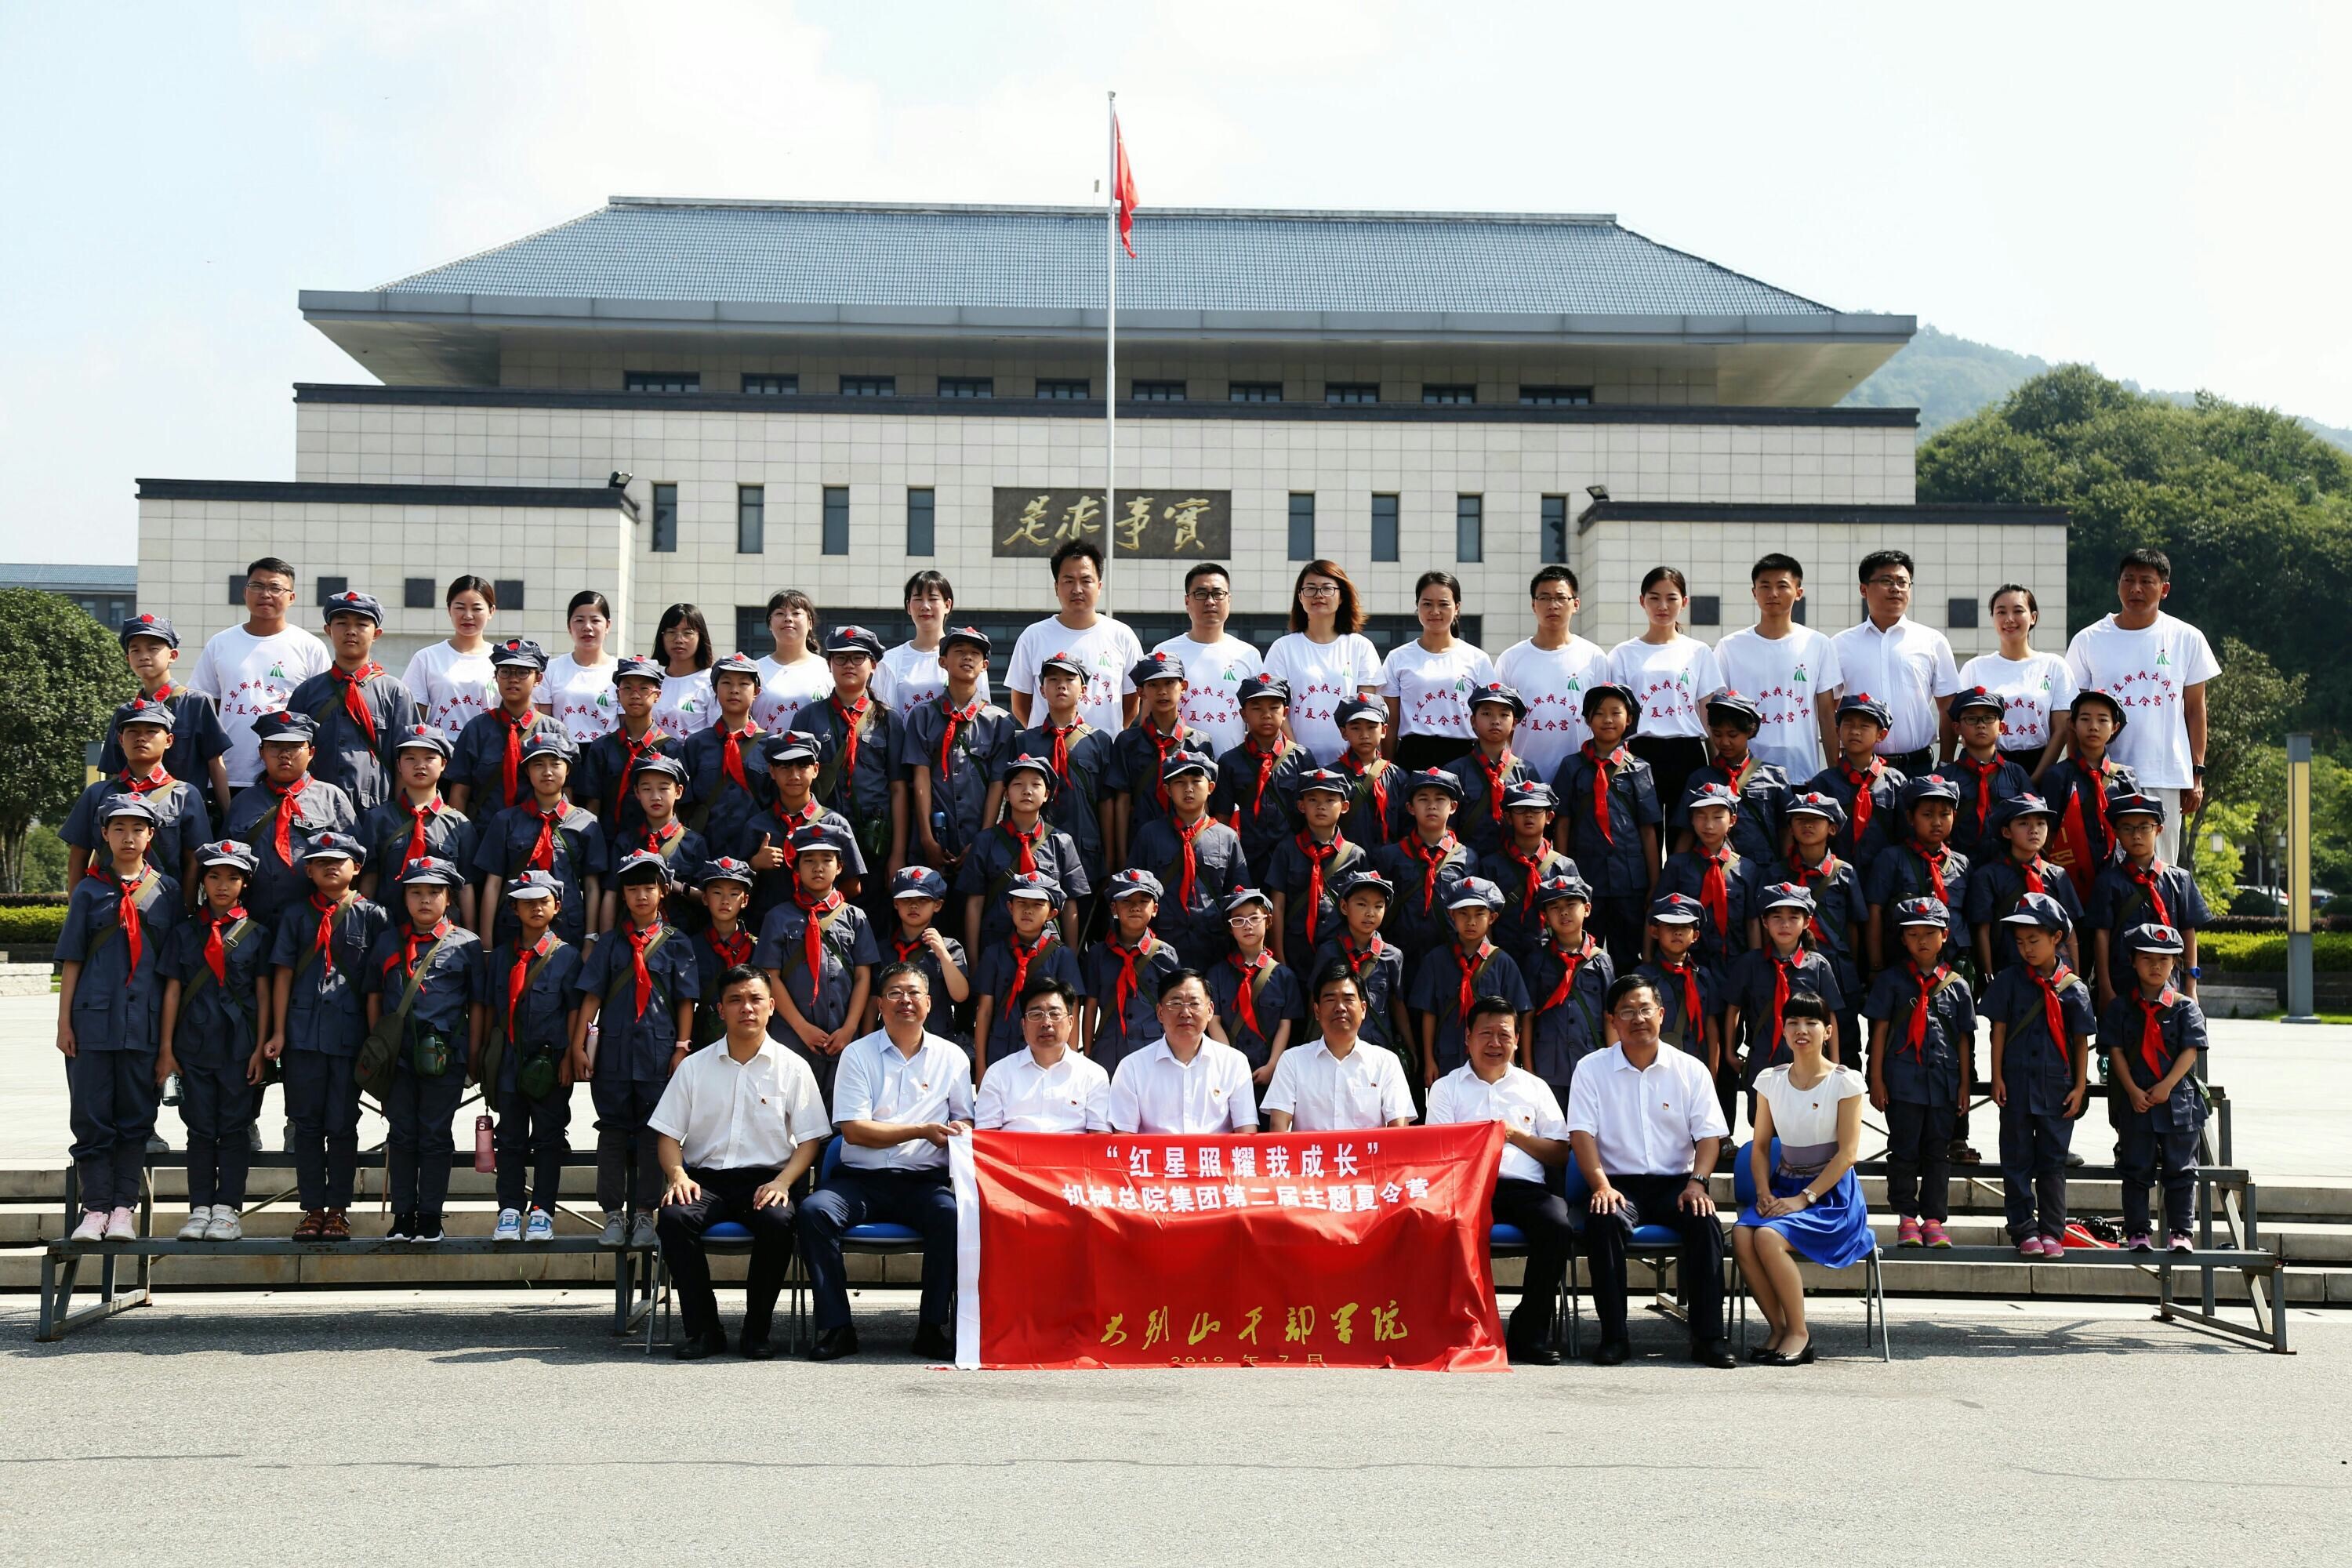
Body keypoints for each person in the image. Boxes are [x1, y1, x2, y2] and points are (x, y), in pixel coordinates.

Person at [652, 964, 832, 1360]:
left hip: (768, 1179)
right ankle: (704, 1330)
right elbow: (667, 1134)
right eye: (735, 1000)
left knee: (778, 1221)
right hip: (705, 1179)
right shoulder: (695, 1067)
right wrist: (677, 1174)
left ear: (772, 1006)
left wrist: (784, 1183)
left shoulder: (793, 1066)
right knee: (674, 1218)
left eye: (755, 999)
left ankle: (756, 1331)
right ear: (720, 1010)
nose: (746, 1008)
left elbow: (809, 1140)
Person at [800, 962, 974, 1362]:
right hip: (859, 1180)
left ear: (929, 1003)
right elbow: (854, 1130)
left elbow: (964, 1119)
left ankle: (931, 1328)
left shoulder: (952, 1057)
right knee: (814, 1211)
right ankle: (838, 1328)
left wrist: (958, 1129)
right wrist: (920, 1131)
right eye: (895, 993)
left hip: (922, 1182)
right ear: (879, 1004)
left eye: (913, 993)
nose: (904, 1001)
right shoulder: (858, 1054)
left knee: (950, 1215)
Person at [1566, 972, 1734, 1367]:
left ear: (1661, 1014)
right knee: (1603, 1220)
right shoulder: (1591, 1069)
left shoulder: (1690, 1069)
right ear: (1612, 1020)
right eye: (1627, 1012)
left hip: (1678, 1184)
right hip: (1617, 1184)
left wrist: (1699, 1183)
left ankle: (1709, 1338)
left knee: (1705, 1221)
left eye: (1645, 1009)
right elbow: (1581, 1135)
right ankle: (1614, 1337)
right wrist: (1601, 1185)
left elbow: (1709, 1136)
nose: (1637, 1019)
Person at [55, 795, 183, 1244]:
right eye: (118, 829)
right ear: (104, 835)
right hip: (91, 1023)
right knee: (91, 1118)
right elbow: (72, 959)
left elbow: (173, 974)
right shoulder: (88, 891)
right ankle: (95, 1209)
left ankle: (124, 1209)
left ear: (151, 836)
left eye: (137, 829)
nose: (128, 838)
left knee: (136, 1119)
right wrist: (63, 1023)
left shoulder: (168, 892)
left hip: (144, 1025)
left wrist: (167, 1045)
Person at [1425, 997, 1575, 1363]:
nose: (1495, 1043)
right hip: (1467, 1188)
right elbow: (1438, 1153)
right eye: (1486, 1034)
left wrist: (1514, 1135)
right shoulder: (1447, 1088)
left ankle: (1528, 1334)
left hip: (1525, 1189)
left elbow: (1560, 1152)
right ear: (1468, 1038)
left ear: (1518, 1040)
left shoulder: (1534, 1087)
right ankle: (1464, 1330)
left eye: (1504, 1035)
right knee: (1445, 1224)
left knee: (1557, 1226)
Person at [260, 831, 389, 1241]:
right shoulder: (295, 916)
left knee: (343, 1123)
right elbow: (282, 974)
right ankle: (312, 1209)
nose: (330, 867)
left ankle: (338, 1210)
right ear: (309, 872)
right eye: (320, 862)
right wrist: (279, 1031)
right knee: (307, 1124)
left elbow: (379, 984)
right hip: (302, 1036)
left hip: (351, 1037)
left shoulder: (373, 915)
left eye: (339, 861)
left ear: (357, 868)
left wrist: (377, 1039)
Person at [571, 849, 700, 1248]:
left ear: (663, 892)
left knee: (653, 1133)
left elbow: (685, 1000)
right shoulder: (611, 944)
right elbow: (592, 996)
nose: (641, 896)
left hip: (658, 1056)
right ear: (623, 896)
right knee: (611, 1133)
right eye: (632, 890)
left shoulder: (677, 943)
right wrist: (578, 1044)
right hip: (612, 1055)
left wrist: (682, 1048)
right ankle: (612, 1214)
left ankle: (645, 1213)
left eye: (648, 888)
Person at [1733, 990, 1869, 1366]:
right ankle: (1777, 1328)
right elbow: (1761, 1146)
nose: (1801, 1030)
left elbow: (1848, 1154)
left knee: (1768, 1236)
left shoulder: (1845, 1082)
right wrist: (1763, 1191)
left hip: (1832, 1196)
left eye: (1811, 1023)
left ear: (1828, 1031)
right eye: (1793, 1022)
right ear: (1783, 1029)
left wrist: (1803, 1198)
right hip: (1784, 1185)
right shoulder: (1770, 1080)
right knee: (1743, 1234)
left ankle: (1799, 1332)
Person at [2063, 548, 2217, 862]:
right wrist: (2076, 769)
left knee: (2159, 867)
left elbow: (2195, 710)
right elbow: (2073, 713)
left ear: (2164, 589)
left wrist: (2196, 774)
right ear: (2118, 584)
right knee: (2102, 863)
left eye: (2146, 581)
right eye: (2128, 580)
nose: (2135, 589)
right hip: (2103, 774)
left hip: (2165, 774)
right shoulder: (2089, 640)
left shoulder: (2186, 638)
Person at [362, 856, 483, 1244]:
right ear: (405, 898)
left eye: (434, 892)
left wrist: (473, 1055)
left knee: (435, 1134)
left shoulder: (466, 944)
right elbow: (374, 996)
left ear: (449, 898)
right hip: (397, 1058)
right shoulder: (388, 941)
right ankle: (402, 1216)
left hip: (445, 1057)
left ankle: (430, 1216)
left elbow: (478, 1005)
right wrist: (378, 1048)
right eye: (416, 892)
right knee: (401, 1134)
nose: (425, 900)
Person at [156, 840, 269, 1240]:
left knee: (236, 1128)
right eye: (215, 876)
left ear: (244, 884)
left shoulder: (257, 934)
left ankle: (227, 1211)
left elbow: (263, 995)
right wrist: (166, 1049)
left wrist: (261, 1048)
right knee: (199, 1129)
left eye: (232, 878)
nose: (223, 885)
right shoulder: (184, 932)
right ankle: (200, 1209)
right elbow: (172, 992)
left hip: (240, 1047)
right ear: (202, 881)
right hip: (192, 1046)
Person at [1984, 892, 2095, 1256]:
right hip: (2016, 1085)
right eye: (2020, 942)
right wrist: (1996, 1077)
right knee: (2016, 1160)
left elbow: (2081, 1042)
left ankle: (2052, 1231)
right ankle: (2023, 1229)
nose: (2026, 949)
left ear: (2056, 938)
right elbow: (1998, 1031)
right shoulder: (2008, 980)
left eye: (2034, 940)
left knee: (2052, 1163)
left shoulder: (2074, 988)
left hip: (2057, 1089)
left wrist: (2080, 1087)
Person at [474, 870, 583, 1244]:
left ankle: (542, 1210)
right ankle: (509, 1207)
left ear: (557, 906)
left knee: (549, 1138)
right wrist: (483, 1056)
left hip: (550, 1063)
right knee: (510, 1137)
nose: (536, 908)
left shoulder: (567, 956)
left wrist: (569, 1057)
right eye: (527, 902)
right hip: (507, 1060)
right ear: (514, 909)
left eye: (543, 901)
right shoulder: (501, 957)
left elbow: (574, 1011)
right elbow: (490, 1009)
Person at [1865, 896, 1976, 1249]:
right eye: (1913, 935)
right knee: (1903, 1149)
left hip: (1943, 1084)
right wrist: (1876, 1079)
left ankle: (1933, 1220)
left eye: (1929, 933)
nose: (1922, 941)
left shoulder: (1958, 985)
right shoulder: (1891, 981)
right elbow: (1879, 1031)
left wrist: (1965, 1085)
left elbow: (1964, 1040)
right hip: (1902, 1083)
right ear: (1902, 939)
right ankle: (1906, 1218)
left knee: (1937, 1152)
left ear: (1945, 936)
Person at [2098, 923, 2209, 1253]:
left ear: (2175, 963)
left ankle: (2181, 1233)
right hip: (2137, 1104)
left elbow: (2191, 1050)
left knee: (2181, 1171)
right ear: (2133, 961)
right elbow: (2115, 1051)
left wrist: (2167, 1086)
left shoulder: (2185, 1007)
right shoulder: (2121, 1008)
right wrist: (2132, 1090)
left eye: (2164, 959)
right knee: (2135, 1169)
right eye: (2147, 958)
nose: (2156, 966)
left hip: (2177, 1103)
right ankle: (2137, 1232)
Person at [753, 822, 880, 1102]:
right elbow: (769, 977)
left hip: (842, 1038)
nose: (818, 868)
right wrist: (802, 1027)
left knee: (841, 1111)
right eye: (809, 860)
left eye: (827, 860)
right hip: (791, 1037)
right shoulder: (777, 917)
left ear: (840, 867)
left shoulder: (856, 918)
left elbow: (864, 977)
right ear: (796, 869)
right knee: (790, 1108)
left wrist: (850, 1029)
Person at [187, 555, 332, 793]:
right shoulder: (220, 643)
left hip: (290, 775)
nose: (265, 594)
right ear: (245, 593)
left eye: (275, 588)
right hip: (229, 773)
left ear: (291, 598)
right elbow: (203, 707)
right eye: (257, 586)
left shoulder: (310, 647)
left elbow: (321, 714)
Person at [793, 623, 909, 917]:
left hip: (874, 841)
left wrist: (897, 854)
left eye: (858, 658)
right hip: (821, 840)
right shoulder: (808, 717)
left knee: (874, 921)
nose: (849, 665)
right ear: (829, 664)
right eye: (840, 658)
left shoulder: (889, 721)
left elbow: (898, 788)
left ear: (873, 665)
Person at [1549, 682, 1660, 970]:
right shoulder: (1571, 767)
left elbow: (1648, 829)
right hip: (1586, 878)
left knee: (1627, 955)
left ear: (1629, 718)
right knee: (1583, 953)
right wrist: (1566, 875)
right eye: (1599, 713)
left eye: (1616, 713)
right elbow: (1562, 823)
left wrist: (1654, 883)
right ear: (1588, 720)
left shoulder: (1640, 768)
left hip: (1629, 880)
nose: (1608, 720)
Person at [1711, 554, 1842, 781]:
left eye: (1782, 586)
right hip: (1745, 774)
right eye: (1765, 586)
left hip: (1801, 771)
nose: (1773, 593)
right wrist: (1719, 774)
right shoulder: (1730, 646)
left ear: (1798, 592)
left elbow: (1827, 715)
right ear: (1754, 592)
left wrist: (1834, 776)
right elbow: (1715, 713)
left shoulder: (1818, 644)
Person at [287, 589, 419, 815]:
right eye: (341, 623)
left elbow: (408, 760)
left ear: (376, 634)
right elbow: (291, 753)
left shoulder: (395, 693)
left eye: (361, 624)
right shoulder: (307, 692)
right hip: (316, 810)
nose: (351, 631)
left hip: (376, 812)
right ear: (328, 630)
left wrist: (397, 817)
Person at [223, 710, 359, 928]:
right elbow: (225, 862)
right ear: (261, 752)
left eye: (295, 747)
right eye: (275, 747)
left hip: (315, 923)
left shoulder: (332, 798)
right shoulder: (243, 802)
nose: (284, 755)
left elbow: (356, 863)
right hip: (252, 923)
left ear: (311, 752)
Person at [62, 697, 211, 896]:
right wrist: (77, 908)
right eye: (132, 731)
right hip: (103, 904)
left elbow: (194, 861)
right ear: (121, 740)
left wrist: (186, 909)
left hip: (163, 904)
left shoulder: (185, 795)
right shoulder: (97, 794)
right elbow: (77, 858)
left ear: (168, 741)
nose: (141, 738)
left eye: (151, 731)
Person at [1829, 549, 1959, 775]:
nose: (1896, 588)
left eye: (1902, 582)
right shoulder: (1839, 645)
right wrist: (1834, 767)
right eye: (1886, 581)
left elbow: (1949, 707)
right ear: (1863, 589)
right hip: (1859, 769)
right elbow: (1829, 710)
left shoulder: (1932, 641)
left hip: (1917, 767)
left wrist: (1946, 764)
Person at [1607, 566, 1723, 815]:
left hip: (1688, 753)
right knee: (1641, 830)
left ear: (1684, 602)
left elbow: (1709, 716)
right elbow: (1616, 714)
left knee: (1686, 829)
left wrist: (1717, 766)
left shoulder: (1699, 651)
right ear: (1642, 601)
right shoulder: (1623, 653)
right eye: (1654, 598)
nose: (1663, 606)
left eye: (1671, 598)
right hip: (1638, 753)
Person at [474, 731, 605, 949]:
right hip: (514, 929)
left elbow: (591, 886)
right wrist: (486, 943)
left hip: (569, 929)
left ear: (568, 769)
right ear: (527, 771)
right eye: (538, 765)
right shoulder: (506, 820)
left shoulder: (586, 823)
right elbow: (493, 883)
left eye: (555, 764)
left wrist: (590, 938)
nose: (547, 772)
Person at [903, 626, 1014, 874]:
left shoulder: (999, 722)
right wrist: (926, 838)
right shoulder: (922, 716)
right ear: (943, 661)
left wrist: (983, 839)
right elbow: (920, 777)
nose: (967, 657)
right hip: (931, 839)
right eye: (959, 651)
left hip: (978, 839)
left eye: (975, 653)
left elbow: (998, 784)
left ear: (985, 665)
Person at [100, 613, 232, 821]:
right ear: (128, 659)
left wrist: (228, 818)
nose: (144, 656)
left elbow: (215, 763)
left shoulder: (196, 703)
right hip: (136, 821)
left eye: (153, 649)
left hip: (185, 818)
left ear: (173, 655)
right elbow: (116, 772)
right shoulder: (124, 713)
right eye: (135, 650)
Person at [2085, 793, 2209, 1011]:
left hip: (2170, 987)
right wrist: (2105, 987)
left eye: (2144, 827)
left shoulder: (2180, 880)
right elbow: (2101, 935)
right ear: (2116, 832)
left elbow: (2189, 934)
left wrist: (2191, 986)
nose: (2136, 835)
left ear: (2159, 830)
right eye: (2127, 828)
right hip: (2122, 985)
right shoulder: (2108, 882)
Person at [1005, 539, 1142, 732]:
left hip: (1106, 750)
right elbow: (1020, 706)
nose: (1077, 589)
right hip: (1048, 750)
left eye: (1086, 581)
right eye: (1069, 581)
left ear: (1099, 586)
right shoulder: (1033, 636)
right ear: (1056, 587)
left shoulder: (1122, 636)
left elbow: (1131, 706)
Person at [959, 752, 1088, 954]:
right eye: (1018, 784)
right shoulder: (985, 841)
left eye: (1036, 784)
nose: (1027, 791)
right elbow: (975, 902)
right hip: (995, 946)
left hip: (1047, 950)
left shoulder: (1062, 842)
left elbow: (1070, 904)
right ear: (1006, 794)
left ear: (1047, 795)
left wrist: (1070, 957)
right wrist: (974, 961)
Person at [1261, 965, 1416, 1132]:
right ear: (1317, 1011)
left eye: (1348, 999)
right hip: (1313, 1150)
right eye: (1330, 1000)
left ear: (1363, 1009)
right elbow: (1278, 1127)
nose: (1340, 1007)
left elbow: (1399, 1129)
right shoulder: (1292, 1061)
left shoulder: (1386, 1062)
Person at [1127, 754, 1247, 969]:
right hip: (1162, 944)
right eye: (1180, 782)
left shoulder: (1227, 837)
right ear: (1167, 790)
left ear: (1211, 787)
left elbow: (1240, 896)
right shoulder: (1150, 835)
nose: (1188, 789)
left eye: (1196, 781)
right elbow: (1131, 891)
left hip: (1213, 944)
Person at [735, 730, 866, 927]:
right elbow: (736, 889)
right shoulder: (757, 826)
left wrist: (819, 910)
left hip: (821, 929)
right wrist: (754, 864)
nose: (794, 775)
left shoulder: (835, 824)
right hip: (768, 930)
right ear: (772, 771)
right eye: (785, 767)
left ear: (816, 769)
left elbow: (853, 886)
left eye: (803, 766)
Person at [1408, 877, 1530, 1087]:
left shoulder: (1503, 962)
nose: (1471, 922)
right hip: (1447, 1057)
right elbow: (1429, 1013)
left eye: (1479, 914)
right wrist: (1429, 1060)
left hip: (1492, 1057)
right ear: (1451, 915)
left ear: (1492, 917)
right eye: (1463, 914)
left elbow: (1517, 1014)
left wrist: (1512, 1060)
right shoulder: (1436, 960)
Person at [1495, 565, 1611, 786]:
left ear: (1575, 604)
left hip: (1581, 777)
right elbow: (1501, 720)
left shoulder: (1594, 657)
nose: (1553, 605)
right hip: (1523, 779)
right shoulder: (1511, 659)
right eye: (1545, 598)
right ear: (1533, 604)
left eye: (1561, 598)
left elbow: (1604, 717)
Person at [1108, 967, 1260, 1134]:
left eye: (1194, 1004)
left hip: (1213, 1152)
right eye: (1176, 1004)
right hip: (1157, 1152)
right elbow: (1124, 1138)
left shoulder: (1234, 1063)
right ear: (1160, 1013)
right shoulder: (1132, 1067)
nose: (1185, 1013)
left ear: (1210, 1011)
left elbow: (1246, 1132)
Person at [1261, 559, 1384, 764]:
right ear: (1300, 597)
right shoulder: (1283, 648)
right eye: (1310, 588)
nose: (1318, 595)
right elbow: (1274, 708)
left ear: (1341, 596)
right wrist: (1297, 755)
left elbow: (1368, 712)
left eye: (1327, 588)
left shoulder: (1360, 646)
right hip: (1294, 763)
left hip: (1350, 765)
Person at [358, 724, 477, 929]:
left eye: (429, 758)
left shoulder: (459, 824)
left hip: (445, 935)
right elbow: (370, 878)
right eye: (410, 758)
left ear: (444, 764)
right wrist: (365, 928)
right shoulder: (378, 819)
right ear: (399, 765)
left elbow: (466, 886)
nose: (419, 765)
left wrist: (470, 934)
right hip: (389, 929)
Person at [1018, 650, 1115, 901]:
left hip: (1087, 851)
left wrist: (1110, 856)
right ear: (1042, 690)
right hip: (1036, 851)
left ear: (1083, 690)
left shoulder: (1099, 741)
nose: (1061, 685)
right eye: (1053, 680)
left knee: (1084, 918)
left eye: (1070, 680)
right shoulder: (1025, 741)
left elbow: (1106, 802)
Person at [968, 871, 1086, 1077]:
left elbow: (1071, 1012)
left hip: (1047, 1054)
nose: (1028, 911)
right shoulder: (994, 953)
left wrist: (1072, 1062)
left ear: (1052, 913)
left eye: (1037, 905)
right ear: (1010, 907)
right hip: (1001, 1051)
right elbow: (984, 1011)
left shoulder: (1062, 955)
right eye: (1021, 903)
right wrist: (980, 1068)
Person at [1309, 870, 1415, 1091]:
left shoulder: (1392, 956)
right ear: (1344, 907)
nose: (1370, 913)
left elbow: (1397, 1004)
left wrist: (1411, 1048)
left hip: (1377, 1048)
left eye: (1378, 906)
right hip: (1335, 1048)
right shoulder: (1329, 952)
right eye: (1362, 904)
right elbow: (1315, 1000)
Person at [1107, 651, 1215, 866]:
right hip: (1140, 843)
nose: (1162, 691)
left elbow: (1206, 801)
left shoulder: (1200, 742)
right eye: (1153, 685)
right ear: (1141, 692)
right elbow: (1122, 801)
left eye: (1169, 683)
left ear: (1183, 686)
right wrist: (1121, 856)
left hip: (1186, 845)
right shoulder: (1127, 742)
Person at [1381, 571, 1497, 771]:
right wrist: (1387, 770)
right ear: (1417, 606)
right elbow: (1391, 724)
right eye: (1427, 604)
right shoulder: (1397, 658)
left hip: (1464, 758)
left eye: (1443, 604)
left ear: (1457, 608)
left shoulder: (1477, 659)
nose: (1435, 611)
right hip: (1412, 757)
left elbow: (1488, 717)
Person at [1959, 584, 2075, 776]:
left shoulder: (2054, 666)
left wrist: (2036, 780)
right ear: (1993, 618)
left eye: (2018, 611)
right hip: (1986, 770)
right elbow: (1964, 726)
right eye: (2001, 612)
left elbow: (2062, 730)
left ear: (2033, 617)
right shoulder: (1974, 668)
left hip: (2040, 766)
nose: (2009, 619)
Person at [1519, 873, 1614, 1108]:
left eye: (1571, 905)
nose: (1563, 913)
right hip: (1548, 1066)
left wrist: (1614, 1063)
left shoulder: (1600, 961)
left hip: (1592, 1062)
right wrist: (1529, 1070)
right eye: (1555, 907)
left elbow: (1610, 1016)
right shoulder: (1537, 960)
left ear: (1587, 909)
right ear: (1545, 916)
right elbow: (1527, 1016)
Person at [1966, 795, 2085, 979]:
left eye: (2041, 823)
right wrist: (1988, 976)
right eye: (2024, 823)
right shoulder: (1988, 876)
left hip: (2055, 973)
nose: (2034, 830)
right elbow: (1983, 930)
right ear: (2006, 832)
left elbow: (2069, 929)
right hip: (2009, 970)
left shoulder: (2057, 874)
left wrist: (2075, 977)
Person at [973, 975, 1112, 1131]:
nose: (1046, 1023)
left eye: (1054, 1014)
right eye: (1036, 1015)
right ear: (1023, 1025)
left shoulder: (1093, 1076)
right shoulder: (998, 1074)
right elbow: (986, 1137)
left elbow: (1100, 1138)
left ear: (1071, 1023)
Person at [1152, 561, 1264, 752]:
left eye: (1218, 594)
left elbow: (1258, 718)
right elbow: (1150, 714)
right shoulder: (1165, 653)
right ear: (1187, 601)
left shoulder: (1248, 654)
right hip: (1178, 766)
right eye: (1201, 594)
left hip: (1232, 766)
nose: (1210, 601)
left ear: (1229, 599)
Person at [1370, 768, 1475, 971]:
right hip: (1399, 956)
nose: (1432, 806)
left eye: (1440, 799)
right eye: (1423, 799)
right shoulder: (1389, 856)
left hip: (1449, 957)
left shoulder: (1467, 858)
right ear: (1410, 807)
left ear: (1453, 807)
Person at [2039, 689, 2140, 903]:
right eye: (2085, 719)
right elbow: (2048, 833)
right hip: (2070, 879)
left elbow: (2137, 827)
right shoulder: (2057, 776)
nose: (2093, 726)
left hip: (2118, 875)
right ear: (2072, 725)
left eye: (2103, 720)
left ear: (2115, 727)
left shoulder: (2125, 778)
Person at [1265, 768, 1369, 973]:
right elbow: (1278, 905)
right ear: (1301, 806)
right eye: (1313, 800)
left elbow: (1363, 906)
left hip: (1340, 952)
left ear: (1345, 806)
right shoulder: (1287, 849)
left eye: (1330, 800)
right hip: (1294, 951)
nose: (1321, 806)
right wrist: (1279, 957)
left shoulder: (1355, 855)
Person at [1672, 689, 1788, 868]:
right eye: (1717, 734)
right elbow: (1686, 833)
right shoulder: (1699, 779)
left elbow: (1786, 831)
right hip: (1714, 872)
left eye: (1733, 735)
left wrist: (1786, 872)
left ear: (1751, 731)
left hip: (1763, 872)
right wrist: (1674, 872)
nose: (1724, 742)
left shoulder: (1774, 776)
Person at [447, 638, 561, 818]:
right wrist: (459, 833)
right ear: (496, 676)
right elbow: (460, 792)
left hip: (536, 831)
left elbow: (565, 792)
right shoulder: (477, 729)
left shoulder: (553, 730)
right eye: (505, 672)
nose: (513, 679)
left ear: (538, 679)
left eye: (523, 672)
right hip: (484, 830)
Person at [574, 655, 684, 841]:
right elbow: (593, 803)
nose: (635, 695)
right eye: (628, 688)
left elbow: (679, 807)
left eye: (644, 688)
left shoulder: (670, 748)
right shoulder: (602, 747)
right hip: (609, 842)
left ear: (657, 695)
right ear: (618, 694)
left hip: (655, 844)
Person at [1083, 869, 1183, 1072]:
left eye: (1143, 902)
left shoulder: (1165, 954)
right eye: (1126, 901)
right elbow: (1091, 1007)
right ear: (1114, 908)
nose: (1135, 908)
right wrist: (1087, 1055)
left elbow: (1175, 1005)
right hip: (1109, 1051)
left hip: (1153, 1049)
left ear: (1155, 909)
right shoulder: (1097, 954)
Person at [1207, 888, 1304, 1087]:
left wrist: (1273, 1065)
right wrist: (1230, 1063)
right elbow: (1213, 1022)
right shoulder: (1216, 974)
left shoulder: (1284, 976)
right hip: (1227, 1073)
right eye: (1238, 920)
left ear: (1268, 921)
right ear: (1230, 928)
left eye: (1254, 918)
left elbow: (1285, 1025)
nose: (1247, 926)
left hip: (1271, 1073)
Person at [1806, 691, 1907, 877]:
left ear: (1881, 734)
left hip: (1885, 875)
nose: (1855, 731)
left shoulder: (1895, 782)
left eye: (1864, 726)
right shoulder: (1824, 782)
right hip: (1835, 875)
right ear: (1838, 731)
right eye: (1849, 724)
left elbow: (1905, 835)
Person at [1220, 674, 1311, 882]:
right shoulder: (1230, 761)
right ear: (1243, 714)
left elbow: (1311, 813)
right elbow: (1222, 817)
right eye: (1257, 708)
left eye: (1274, 708)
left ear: (1285, 712)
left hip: (1292, 859)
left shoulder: (1302, 758)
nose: (1266, 715)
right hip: (1246, 859)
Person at [683, 652, 774, 852]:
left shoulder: (771, 746)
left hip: (756, 852)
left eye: (744, 684)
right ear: (715, 689)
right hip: (705, 851)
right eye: (726, 683)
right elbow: (684, 804)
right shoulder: (696, 744)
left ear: (756, 691)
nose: (734, 690)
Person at [875, 570, 993, 717]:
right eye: (918, 599)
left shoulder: (968, 658)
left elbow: (983, 712)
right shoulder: (890, 661)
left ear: (947, 605)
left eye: (932, 599)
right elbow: (878, 718)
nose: (925, 606)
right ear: (908, 606)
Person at [1933, 687, 2031, 863]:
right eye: (1971, 719)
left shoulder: (2016, 774)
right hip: (1958, 867)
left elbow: (2031, 820)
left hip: (2007, 867)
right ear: (1957, 727)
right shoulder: (1944, 778)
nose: (1981, 724)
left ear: (2002, 727)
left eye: (1989, 718)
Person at [1480, 781, 1572, 964]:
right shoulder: (1491, 865)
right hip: (1504, 954)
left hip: (1550, 959)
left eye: (1536, 809)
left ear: (1549, 817)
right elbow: (1483, 916)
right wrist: (1489, 960)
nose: (1529, 814)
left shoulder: (1563, 866)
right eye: (1520, 809)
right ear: (1508, 817)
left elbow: (1572, 916)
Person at [1444, 682, 1537, 860]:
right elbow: (1447, 826)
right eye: (1486, 714)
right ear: (1473, 721)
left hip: (1513, 865)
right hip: (1467, 863)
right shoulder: (1455, 771)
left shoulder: (1526, 771)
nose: (1495, 721)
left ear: (1515, 723)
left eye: (1504, 715)